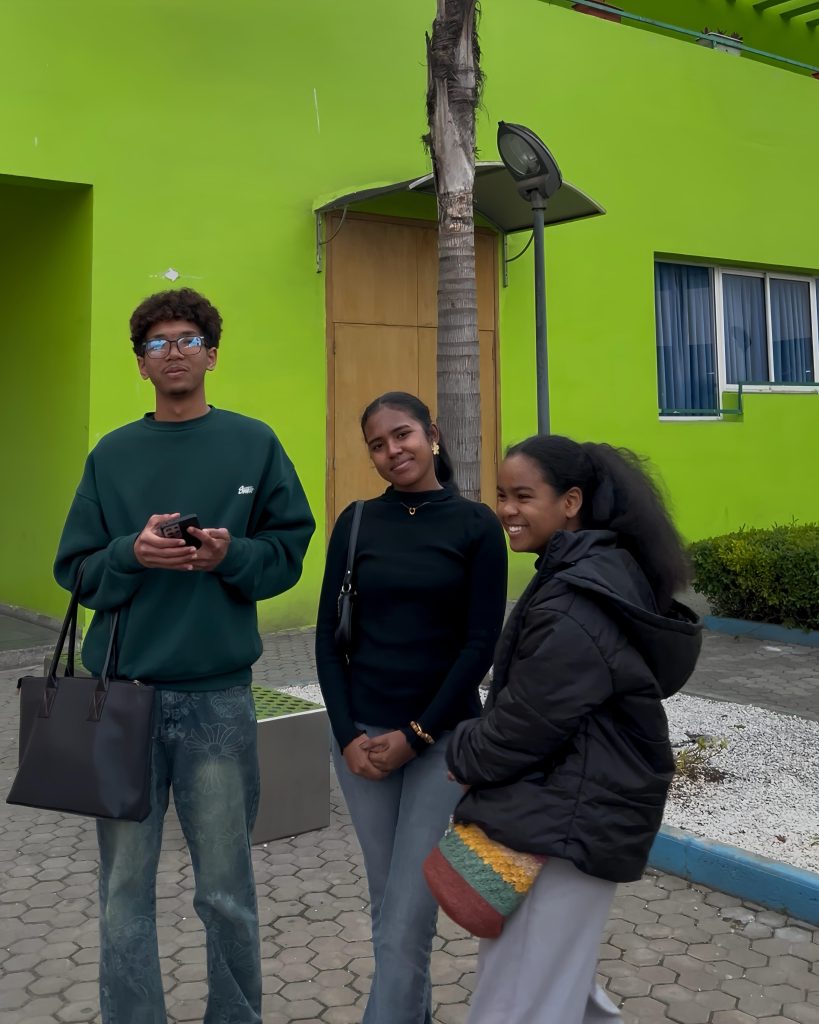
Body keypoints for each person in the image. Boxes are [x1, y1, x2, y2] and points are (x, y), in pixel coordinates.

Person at [53, 287, 315, 1024]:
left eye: (188, 340)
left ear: (212, 354)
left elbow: (288, 551)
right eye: (157, 343)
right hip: (121, 700)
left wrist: (232, 556)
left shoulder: (254, 444)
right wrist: (130, 554)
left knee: (226, 892)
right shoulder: (111, 455)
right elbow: (75, 571)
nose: (173, 353)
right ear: (140, 364)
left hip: (217, 699)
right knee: (122, 892)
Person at [446, 435, 702, 1024]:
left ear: (570, 502)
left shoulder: (576, 601)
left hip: (563, 822)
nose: (507, 510)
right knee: (557, 986)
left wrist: (460, 753)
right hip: (572, 813)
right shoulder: (590, 571)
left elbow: (526, 723)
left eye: (523, 496)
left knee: (519, 1001)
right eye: (501, 495)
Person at [315, 391, 507, 1024]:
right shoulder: (357, 522)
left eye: (402, 435)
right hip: (363, 742)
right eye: (377, 444)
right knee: (388, 903)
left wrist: (418, 734)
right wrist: (347, 735)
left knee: (406, 913)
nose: (392, 451)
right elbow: (327, 641)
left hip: (442, 741)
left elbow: (480, 645)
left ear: (432, 434)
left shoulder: (476, 525)